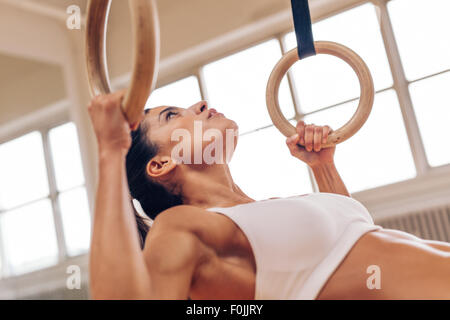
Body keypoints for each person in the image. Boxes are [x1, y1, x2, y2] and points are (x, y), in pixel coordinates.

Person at [87, 90, 450, 300]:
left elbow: (351, 244)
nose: (199, 104)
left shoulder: (264, 213)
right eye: (171, 115)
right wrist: (109, 151)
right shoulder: (183, 225)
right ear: (161, 164)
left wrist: (322, 167)